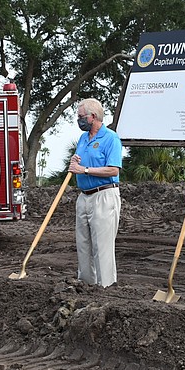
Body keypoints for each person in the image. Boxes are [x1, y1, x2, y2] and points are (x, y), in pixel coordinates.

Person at [68, 98, 123, 287]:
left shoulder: (111, 138)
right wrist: (76, 162)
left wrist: (84, 170)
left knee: (102, 246)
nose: (79, 120)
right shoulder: (84, 138)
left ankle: (106, 286)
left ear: (93, 116)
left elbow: (113, 170)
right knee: (83, 244)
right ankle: (86, 284)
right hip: (84, 196)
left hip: (104, 195)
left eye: (81, 117)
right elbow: (80, 162)